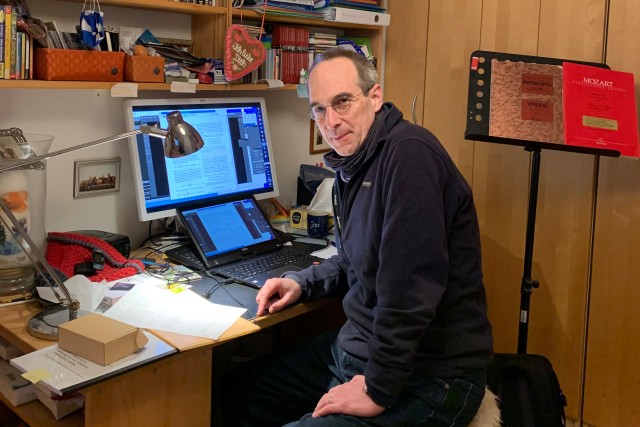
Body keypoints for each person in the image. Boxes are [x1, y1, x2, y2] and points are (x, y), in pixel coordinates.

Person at [220, 47, 493, 427]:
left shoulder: (409, 158)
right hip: (359, 352)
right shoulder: (354, 165)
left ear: (375, 97)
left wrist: (376, 390)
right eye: (319, 109)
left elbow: (409, 293)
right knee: (232, 392)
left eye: (343, 102)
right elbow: (353, 260)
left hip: (430, 373)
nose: (331, 121)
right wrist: (300, 283)